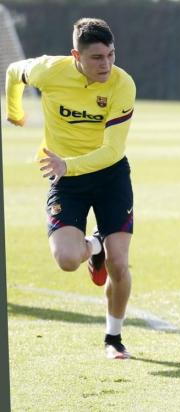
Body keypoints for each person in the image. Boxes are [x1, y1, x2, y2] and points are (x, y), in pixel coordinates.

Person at [5, 18, 137, 360]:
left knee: (120, 264)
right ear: (75, 55)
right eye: (96, 58)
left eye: (110, 55)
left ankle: (113, 338)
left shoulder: (122, 84)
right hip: (67, 182)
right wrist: (15, 111)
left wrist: (68, 165)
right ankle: (94, 247)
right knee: (65, 260)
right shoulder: (49, 71)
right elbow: (14, 70)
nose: (106, 64)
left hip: (110, 177)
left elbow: (112, 151)